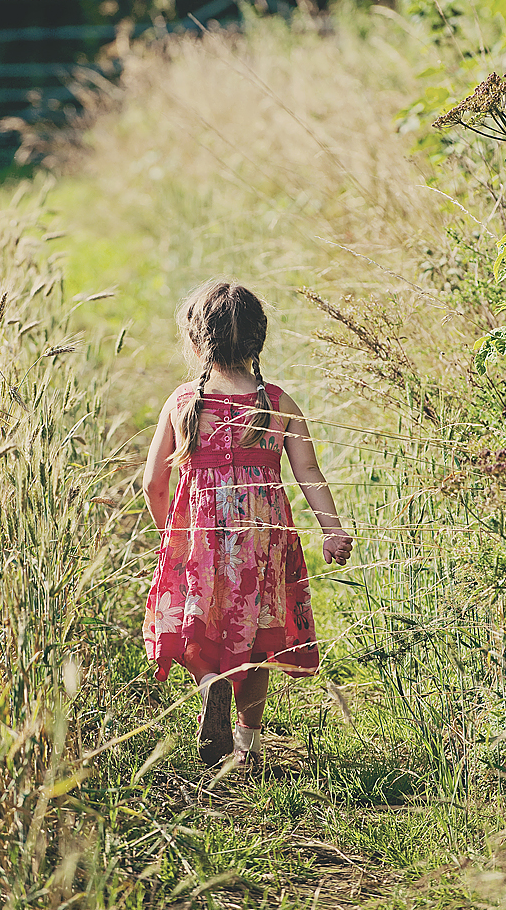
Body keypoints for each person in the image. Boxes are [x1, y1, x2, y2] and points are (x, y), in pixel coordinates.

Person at [142, 279, 353, 771]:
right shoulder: (277, 403)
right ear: (258, 340)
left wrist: (167, 535)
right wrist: (332, 530)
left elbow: (153, 481)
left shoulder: (182, 404)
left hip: (202, 536)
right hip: (264, 539)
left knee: (200, 621)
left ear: (197, 342)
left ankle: (209, 684)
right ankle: (247, 745)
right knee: (260, 631)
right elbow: (309, 474)